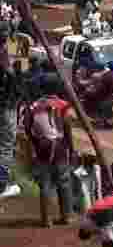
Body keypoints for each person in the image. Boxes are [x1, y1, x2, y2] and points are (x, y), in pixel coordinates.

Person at [25, 80, 76, 226]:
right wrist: (71, 148)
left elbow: (28, 128)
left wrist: (36, 142)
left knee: (45, 183)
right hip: (59, 147)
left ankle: (46, 219)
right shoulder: (63, 105)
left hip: (42, 147)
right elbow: (67, 128)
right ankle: (67, 216)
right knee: (64, 181)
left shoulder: (34, 106)